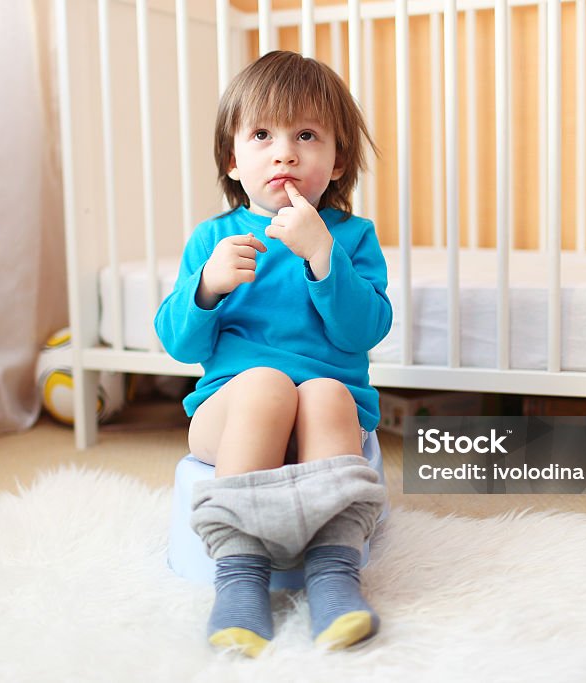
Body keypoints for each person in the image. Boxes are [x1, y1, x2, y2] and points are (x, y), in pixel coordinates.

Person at [154, 50, 391, 657]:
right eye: (263, 134)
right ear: (234, 160)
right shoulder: (214, 238)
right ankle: (239, 577)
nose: (284, 152)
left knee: (326, 390)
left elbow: (363, 331)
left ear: (337, 159)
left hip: (324, 421)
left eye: (306, 135)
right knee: (264, 383)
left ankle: (334, 573)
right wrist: (206, 286)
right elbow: (179, 342)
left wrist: (323, 259)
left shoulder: (352, 237)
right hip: (230, 414)